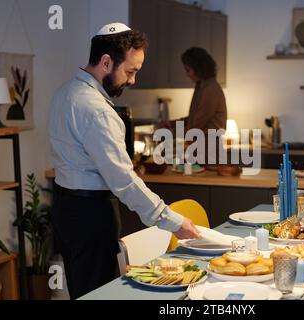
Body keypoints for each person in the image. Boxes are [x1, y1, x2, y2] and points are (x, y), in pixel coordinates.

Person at [47, 23, 200, 299]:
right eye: (130, 71)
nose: (132, 81)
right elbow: (124, 182)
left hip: (64, 208)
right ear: (106, 62)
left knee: (82, 292)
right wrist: (173, 221)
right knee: (101, 294)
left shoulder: (64, 94)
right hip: (91, 214)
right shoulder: (97, 110)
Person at [160, 47, 227, 164]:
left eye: (188, 70)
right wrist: (170, 123)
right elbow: (193, 118)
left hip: (208, 153)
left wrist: (167, 133)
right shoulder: (201, 86)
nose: (187, 74)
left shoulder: (210, 89)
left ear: (198, 69)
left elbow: (195, 126)